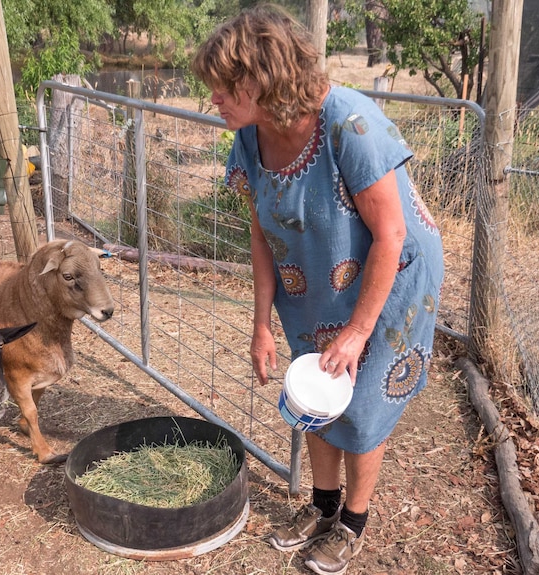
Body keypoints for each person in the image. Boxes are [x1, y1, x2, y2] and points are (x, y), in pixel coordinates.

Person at [191, 5, 445, 575]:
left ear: (258, 80)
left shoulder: (350, 123)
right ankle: (322, 504)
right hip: (312, 278)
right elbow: (260, 233)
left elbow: (391, 232)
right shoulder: (249, 137)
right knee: (314, 393)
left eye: (221, 88)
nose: (214, 100)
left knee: (361, 404)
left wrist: (357, 333)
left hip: (391, 277)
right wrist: (260, 322)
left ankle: (352, 521)